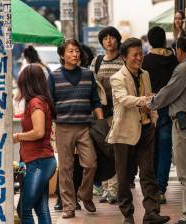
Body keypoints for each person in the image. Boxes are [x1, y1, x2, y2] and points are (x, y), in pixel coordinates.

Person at [107, 37, 170, 224]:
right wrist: (145, 100)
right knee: (125, 176)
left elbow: (152, 100)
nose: (139, 58)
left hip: (146, 129)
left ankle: (152, 213)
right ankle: (127, 215)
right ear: (125, 57)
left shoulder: (145, 75)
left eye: (140, 54)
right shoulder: (117, 77)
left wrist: (154, 119)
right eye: (135, 55)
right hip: (125, 133)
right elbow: (124, 100)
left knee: (148, 172)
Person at [48, 39, 103, 219]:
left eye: (77, 51)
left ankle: (85, 195)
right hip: (63, 127)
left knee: (91, 163)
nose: (75, 54)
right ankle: (68, 206)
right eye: (71, 51)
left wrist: (101, 123)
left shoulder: (88, 75)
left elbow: (95, 100)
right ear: (62, 55)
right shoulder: (54, 76)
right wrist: (51, 126)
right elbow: (50, 104)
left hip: (84, 127)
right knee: (66, 168)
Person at [148, 34, 186, 224]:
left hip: (185, 124)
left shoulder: (185, 67)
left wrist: (151, 102)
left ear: (180, 51)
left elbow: (169, 91)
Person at [13, 64, 57, 223]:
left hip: (39, 162)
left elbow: (38, 132)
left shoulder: (36, 102)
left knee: (24, 209)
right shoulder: (39, 101)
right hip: (40, 160)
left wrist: (18, 136)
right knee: (41, 208)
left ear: (27, 83)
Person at [142, 26, 178, 204]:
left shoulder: (146, 61)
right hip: (170, 107)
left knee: (151, 150)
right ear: (164, 39)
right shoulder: (173, 59)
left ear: (149, 40)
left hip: (151, 108)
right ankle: (161, 189)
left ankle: (153, 188)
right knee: (165, 150)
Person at [90, 26, 124, 204]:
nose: (109, 40)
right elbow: (92, 86)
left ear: (118, 40)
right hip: (102, 113)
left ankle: (114, 189)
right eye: (105, 38)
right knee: (102, 150)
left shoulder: (123, 60)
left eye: (112, 37)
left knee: (115, 150)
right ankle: (105, 189)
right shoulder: (97, 61)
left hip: (120, 112)